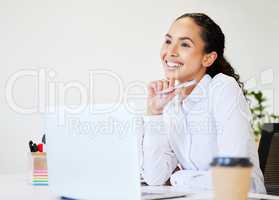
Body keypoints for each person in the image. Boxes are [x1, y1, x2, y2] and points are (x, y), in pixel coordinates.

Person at [141, 13, 266, 193]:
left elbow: (235, 179)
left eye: (184, 44)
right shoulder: (171, 103)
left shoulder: (222, 88)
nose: (171, 51)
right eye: (168, 41)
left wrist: (177, 177)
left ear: (207, 58)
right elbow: (155, 177)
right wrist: (155, 113)